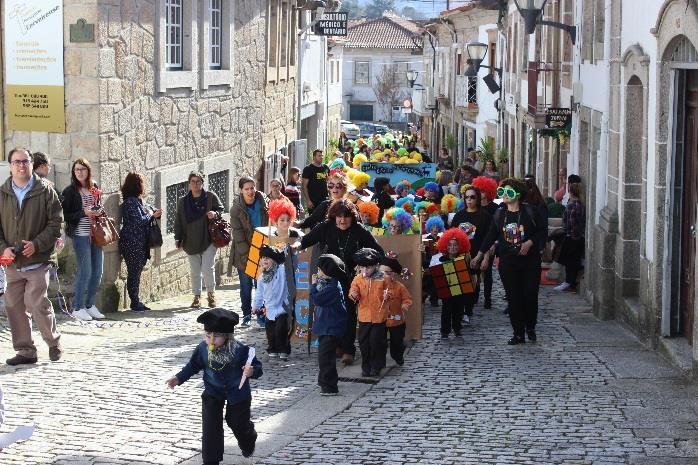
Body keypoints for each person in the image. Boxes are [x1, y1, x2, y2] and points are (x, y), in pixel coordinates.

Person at [167, 308, 262, 463]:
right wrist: (178, 378)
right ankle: (211, 460)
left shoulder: (240, 350)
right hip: (213, 391)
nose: (211, 340)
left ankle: (248, 438)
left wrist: (251, 371)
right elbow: (193, 365)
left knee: (236, 422)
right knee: (210, 427)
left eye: (216, 336)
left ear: (227, 336)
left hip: (237, 393)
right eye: (208, 335)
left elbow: (257, 367)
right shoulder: (203, 349)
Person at [297, 199, 384, 365]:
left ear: (352, 217)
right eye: (338, 216)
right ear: (333, 217)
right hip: (332, 279)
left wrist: (365, 263)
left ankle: (348, 349)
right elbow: (305, 241)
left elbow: (377, 250)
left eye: (346, 217)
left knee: (350, 314)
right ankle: (336, 345)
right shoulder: (325, 227)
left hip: (352, 278)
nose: (342, 220)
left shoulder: (359, 230)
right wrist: (294, 245)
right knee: (332, 312)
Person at [0, 147, 63, 365]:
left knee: (36, 302)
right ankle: (26, 351)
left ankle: (53, 343)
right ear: (10, 166)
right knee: (13, 306)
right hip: (12, 263)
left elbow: (56, 224)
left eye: (25, 161)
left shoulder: (45, 190)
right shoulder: (2, 193)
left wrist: (37, 244)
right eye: (17, 162)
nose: (21, 165)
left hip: (38, 260)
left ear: (31, 164)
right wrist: (3, 249)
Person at [472, 178, 545, 345]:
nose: (504, 195)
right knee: (514, 298)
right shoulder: (500, 213)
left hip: (530, 262)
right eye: (502, 192)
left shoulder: (530, 212)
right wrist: (480, 254)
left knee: (530, 296)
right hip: (508, 262)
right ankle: (518, 333)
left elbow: (542, 231)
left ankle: (530, 326)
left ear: (518, 195)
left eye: (509, 192)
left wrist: (530, 242)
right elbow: (491, 235)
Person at [61, 158, 106, 321]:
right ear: (74, 173)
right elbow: (64, 215)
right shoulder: (70, 191)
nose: (79, 172)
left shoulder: (94, 186)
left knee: (97, 272)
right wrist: (84, 213)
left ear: (88, 171)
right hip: (80, 235)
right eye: (76, 170)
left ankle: (89, 305)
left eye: (82, 169)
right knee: (85, 271)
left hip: (96, 235)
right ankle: (77, 307)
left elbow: (99, 207)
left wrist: (98, 210)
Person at [174, 171, 225, 309]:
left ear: (202, 183)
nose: (195, 184)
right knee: (195, 270)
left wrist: (215, 213)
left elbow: (221, 209)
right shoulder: (183, 201)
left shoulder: (210, 197)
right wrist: (177, 237)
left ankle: (211, 294)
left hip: (208, 238)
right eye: (193, 181)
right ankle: (197, 296)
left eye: (198, 181)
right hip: (190, 240)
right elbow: (178, 220)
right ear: (189, 184)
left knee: (207, 268)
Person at [229, 176, 270, 327]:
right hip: (244, 253)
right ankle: (246, 314)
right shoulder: (236, 209)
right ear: (241, 191)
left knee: (262, 286)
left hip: (264, 250)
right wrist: (251, 257)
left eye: (252, 188)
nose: (250, 191)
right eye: (246, 189)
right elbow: (238, 236)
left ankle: (261, 315)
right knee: (246, 286)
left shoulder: (264, 203)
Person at [119, 172, 162, 312]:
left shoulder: (138, 201)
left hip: (139, 242)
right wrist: (151, 215)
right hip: (132, 242)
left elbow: (148, 210)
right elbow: (139, 220)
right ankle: (135, 302)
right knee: (134, 272)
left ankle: (136, 300)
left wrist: (153, 212)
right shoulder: (130, 202)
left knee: (136, 272)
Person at [450, 186, 493, 314]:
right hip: (461, 256)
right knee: (462, 286)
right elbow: (452, 235)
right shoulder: (459, 215)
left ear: (478, 198)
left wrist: (485, 257)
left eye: (472, 197)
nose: (469, 200)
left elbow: (489, 238)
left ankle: (469, 310)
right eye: (467, 197)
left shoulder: (485, 216)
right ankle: (461, 312)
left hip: (477, 255)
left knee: (474, 286)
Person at [310, 254, 347, 396]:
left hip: (331, 327)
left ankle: (329, 386)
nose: (317, 273)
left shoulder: (332, 287)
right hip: (326, 326)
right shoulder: (328, 284)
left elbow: (318, 299)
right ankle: (323, 380)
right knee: (324, 356)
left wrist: (313, 286)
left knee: (326, 357)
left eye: (319, 270)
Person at [349, 248, 389, 377]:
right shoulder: (358, 279)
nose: (365, 271)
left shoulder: (384, 278)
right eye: (363, 268)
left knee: (375, 341)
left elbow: (391, 291)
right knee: (364, 343)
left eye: (368, 268)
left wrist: (388, 295)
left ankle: (376, 366)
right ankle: (366, 366)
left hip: (379, 316)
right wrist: (354, 295)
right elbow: (352, 292)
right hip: (364, 316)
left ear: (376, 266)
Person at [252, 245, 291, 360]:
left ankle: (283, 349)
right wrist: (256, 306)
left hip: (283, 307)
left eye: (268, 258)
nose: (264, 260)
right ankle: (272, 348)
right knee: (270, 332)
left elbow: (288, 267)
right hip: (269, 309)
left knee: (281, 330)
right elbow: (259, 293)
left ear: (274, 261)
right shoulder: (261, 278)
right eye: (263, 258)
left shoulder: (282, 271)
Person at [435, 228, 473, 337]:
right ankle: (445, 331)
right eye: (450, 245)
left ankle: (457, 328)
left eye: (455, 245)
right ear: (445, 246)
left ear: (460, 246)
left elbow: (472, 272)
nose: (452, 247)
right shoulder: (441, 259)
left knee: (459, 308)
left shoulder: (464, 259)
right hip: (446, 289)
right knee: (446, 309)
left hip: (460, 289)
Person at [379, 253, 412, 366]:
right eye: (380, 272)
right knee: (380, 342)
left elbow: (407, 299)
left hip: (397, 320)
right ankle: (380, 361)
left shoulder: (399, 287)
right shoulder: (376, 286)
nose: (383, 275)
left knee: (397, 341)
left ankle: (398, 356)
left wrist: (405, 305)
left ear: (393, 274)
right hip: (381, 320)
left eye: (386, 273)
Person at [555, 182, 586, 292]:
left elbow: (571, 223)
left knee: (570, 262)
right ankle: (570, 281)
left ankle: (569, 282)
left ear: (571, 192)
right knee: (572, 261)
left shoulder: (573, 205)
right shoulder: (580, 205)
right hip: (577, 237)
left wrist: (570, 233)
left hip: (572, 237)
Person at [302, 149, 329, 214]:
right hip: (313, 201)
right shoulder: (308, 169)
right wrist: (308, 201)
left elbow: (328, 181)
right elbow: (304, 186)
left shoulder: (325, 168)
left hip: (324, 199)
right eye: (319, 156)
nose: (321, 157)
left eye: (322, 156)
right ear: (314, 157)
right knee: (313, 221)